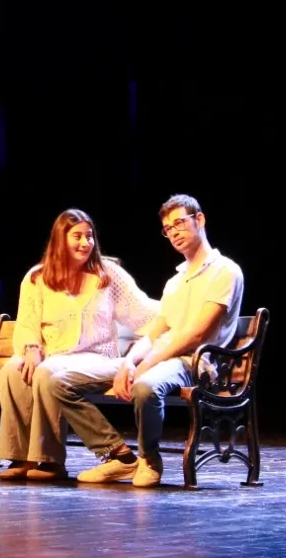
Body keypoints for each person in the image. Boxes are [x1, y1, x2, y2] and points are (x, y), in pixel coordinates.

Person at [44, 193, 244, 487]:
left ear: (199, 220)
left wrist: (146, 364)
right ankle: (119, 456)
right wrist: (129, 361)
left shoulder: (225, 271)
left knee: (145, 387)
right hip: (161, 357)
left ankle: (149, 460)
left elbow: (196, 335)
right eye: (168, 228)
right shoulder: (175, 281)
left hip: (195, 362)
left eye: (179, 223)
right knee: (58, 383)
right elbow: (155, 332)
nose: (174, 232)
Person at [0, 208, 160, 481]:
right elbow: (26, 322)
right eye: (77, 236)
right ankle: (21, 457)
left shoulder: (108, 275)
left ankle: (50, 461)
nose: (85, 243)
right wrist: (31, 349)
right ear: (60, 239)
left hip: (96, 357)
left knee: (46, 373)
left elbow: (145, 313)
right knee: (12, 371)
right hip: (52, 354)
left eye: (89, 236)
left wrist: (176, 316)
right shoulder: (37, 278)